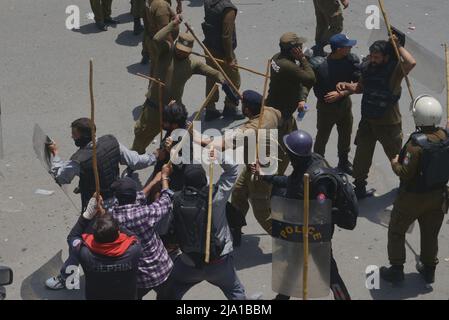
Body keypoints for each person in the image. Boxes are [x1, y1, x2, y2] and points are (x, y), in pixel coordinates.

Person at [261, 130, 355, 300]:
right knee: (293, 266)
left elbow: (323, 210)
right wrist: (268, 177)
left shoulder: (318, 180)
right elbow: (291, 183)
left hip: (316, 235)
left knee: (329, 273)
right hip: (301, 231)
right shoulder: (305, 166)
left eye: (289, 153)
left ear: (295, 156)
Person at [198, 90, 285, 242]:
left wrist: (194, 135)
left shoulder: (250, 129)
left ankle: (286, 238)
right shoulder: (271, 112)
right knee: (238, 193)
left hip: (260, 174)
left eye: (243, 104)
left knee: (262, 213)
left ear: (247, 110)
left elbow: (219, 145)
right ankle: (235, 229)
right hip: (255, 165)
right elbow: (283, 119)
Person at [336, 36, 417, 199]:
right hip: (368, 122)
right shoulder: (367, 67)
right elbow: (360, 87)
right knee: (362, 156)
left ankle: (406, 183)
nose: (373, 60)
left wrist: (397, 45)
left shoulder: (394, 71)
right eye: (371, 56)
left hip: (389, 124)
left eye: (377, 57)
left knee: (396, 157)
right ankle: (359, 186)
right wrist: (347, 86)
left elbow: (411, 62)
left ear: (386, 57)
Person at [380, 95, 449, 284]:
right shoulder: (446, 137)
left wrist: (394, 162)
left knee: (396, 230)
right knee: (430, 234)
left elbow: (404, 172)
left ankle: (396, 269)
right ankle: (429, 269)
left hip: (412, 198)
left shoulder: (415, 146)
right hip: (438, 196)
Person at [132, 15, 225, 154]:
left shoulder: (193, 63)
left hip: (175, 113)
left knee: (177, 143)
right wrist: (173, 23)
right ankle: (133, 164)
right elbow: (157, 38)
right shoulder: (166, 52)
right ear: (176, 45)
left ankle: (167, 166)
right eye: (179, 50)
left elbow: (215, 73)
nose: (181, 53)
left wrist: (226, 83)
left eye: (185, 52)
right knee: (142, 137)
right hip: (154, 108)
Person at [162, 150, 246, 300]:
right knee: (235, 291)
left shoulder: (175, 200)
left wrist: (164, 177)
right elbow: (233, 170)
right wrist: (217, 155)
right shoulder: (215, 197)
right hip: (219, 262)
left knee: (170, 290)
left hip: (188, 263)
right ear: (205, 181)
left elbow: (165, 194)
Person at [49, 118, 157, 212]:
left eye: (74, 134)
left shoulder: (77, 161)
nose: (72, 137)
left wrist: (55, 154)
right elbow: (136, 161)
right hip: (116, 198)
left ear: (83, 137)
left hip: (96, 205)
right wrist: (154, 157)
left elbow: (61, 178)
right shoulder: (112, 142)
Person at [110, 164, 175, 300]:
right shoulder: (145, 214)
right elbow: (166, 200)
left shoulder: (113, 216)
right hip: (162, 270)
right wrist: (164, 178)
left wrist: (153, 182)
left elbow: (138, 197)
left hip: (138, 277)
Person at [66, 196, 142, 300]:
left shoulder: (84, 253)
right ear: (118, 233)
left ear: (94, 237)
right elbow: (133, 236)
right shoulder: (134, 250)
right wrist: (106, 216)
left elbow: (73, 237)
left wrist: (87, 214)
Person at [308, 33, 360, 174]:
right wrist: (301, 100)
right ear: (338, 49)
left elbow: (359, 84)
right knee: (322, 137)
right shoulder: (319, 66)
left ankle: (343, 162)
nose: (351, 47)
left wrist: (341, 94)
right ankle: (317, 164)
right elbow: (306, 83)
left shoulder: (351, 61)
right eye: (347, 46)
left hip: (344, 105)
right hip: (326, 109)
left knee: (345, 135)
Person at [265, 32, 316, 143]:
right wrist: (303, 59)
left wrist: (302, 99)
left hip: (275, 105)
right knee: (285, 145)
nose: (302, 47)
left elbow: (295, 78)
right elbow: (310, 79)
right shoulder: (288, 66)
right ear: (294, 50)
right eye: (299, 46)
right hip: (282, 114)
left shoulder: (276, 57)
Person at [202, 0, 244, 121]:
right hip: (223, 52)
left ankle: (210, 109)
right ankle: (230, 108)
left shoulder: (208, 2)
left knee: (212, 78)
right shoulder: (228, 8)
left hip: (209, 47)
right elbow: (226, 36)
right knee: (234, 80)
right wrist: (230, 57)